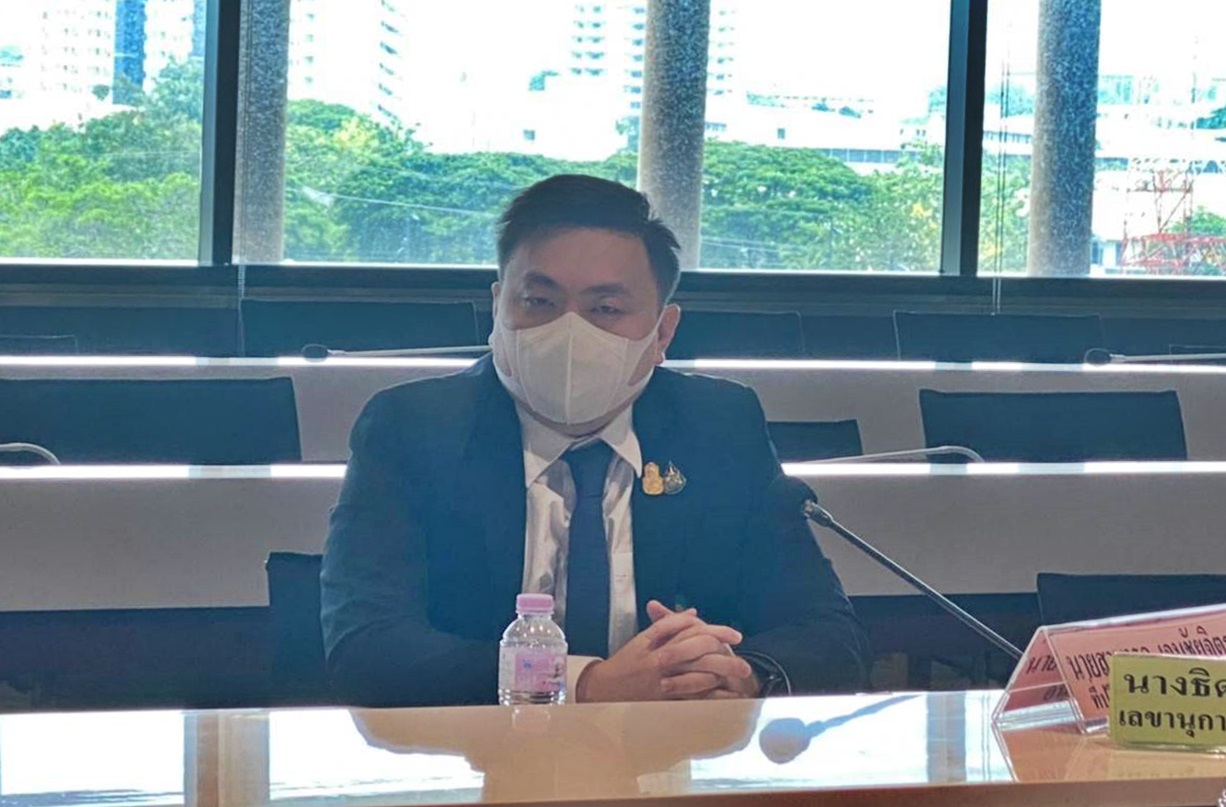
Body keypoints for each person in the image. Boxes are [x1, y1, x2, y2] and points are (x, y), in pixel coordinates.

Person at [320, 174, 870, 706]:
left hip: (676, 757)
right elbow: (367, 650)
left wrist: (740, 675)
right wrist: (583, 685)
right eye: (539, 302)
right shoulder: (413, 427)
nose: (569, 331)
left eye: (605, 309)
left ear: (663, 332)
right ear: (497, 305)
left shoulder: (719, 426)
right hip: (476, 756)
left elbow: (827, 634)